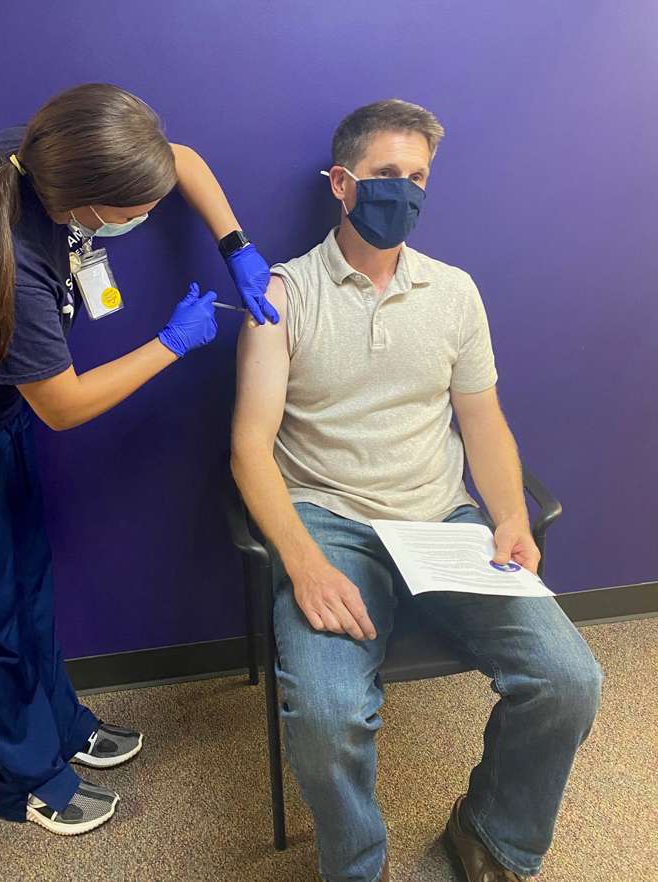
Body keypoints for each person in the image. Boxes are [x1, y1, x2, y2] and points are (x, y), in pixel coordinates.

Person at [0, 82, 277, 836]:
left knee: (26, 577)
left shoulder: (40, 154)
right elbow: (65, 406)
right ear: (85, 204)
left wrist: (236, 246)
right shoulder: (7, 267)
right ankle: (27, 777)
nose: (144, 219)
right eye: (131, 214)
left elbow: (176, 161)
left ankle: (62, 722)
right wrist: (172, 343)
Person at [231, 99, 602, 882]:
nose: (404, 191)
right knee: (329, 717)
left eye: (418, 177)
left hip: (442, 519)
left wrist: (508, 518)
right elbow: (249, 450)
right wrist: (300, 559)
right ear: (341, 183)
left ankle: (493, 837)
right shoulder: (283, 294)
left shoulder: (456, 293)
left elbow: (484, 422)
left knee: (571, 680)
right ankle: (359, 866)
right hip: (329, 523)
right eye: (385, 176)